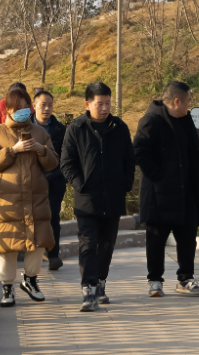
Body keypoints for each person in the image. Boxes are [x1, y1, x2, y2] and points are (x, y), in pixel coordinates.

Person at [60, 82, 135, 313]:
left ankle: (100, 282)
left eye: (107, 103)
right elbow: (66, 163)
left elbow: (129, 160)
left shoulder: (120, 128)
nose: (104, 108)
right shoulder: (76, 128)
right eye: (99, 103)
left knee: (106, 244)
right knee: (88, 244)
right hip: (87, 199)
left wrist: (125, 184)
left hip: (113, 198)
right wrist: (80, 184)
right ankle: (88, 289)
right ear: (88, 104)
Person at [0, 88, 60, 308]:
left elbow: (53, 161)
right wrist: (12, 150)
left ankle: (31, 280)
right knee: (6, 245)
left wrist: (41, 150)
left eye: (27, 108)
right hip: (8, 200)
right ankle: (7, 288)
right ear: (8, 110)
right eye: (19, 109)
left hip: (36, 199)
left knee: (38, 241)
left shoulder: (40, 133)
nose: (24, 112)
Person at [134, 81, 199, 298]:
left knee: (187, 238)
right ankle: (155, 281)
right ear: (177, 101)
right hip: (159, 195)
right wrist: (159, 177)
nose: (189, 106)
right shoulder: (151, 120)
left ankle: (186, 279)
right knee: (156, 239)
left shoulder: (185, 121)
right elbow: (139, 151)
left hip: (186, 192)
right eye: (187, 102)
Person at [33, 89, 68, 271]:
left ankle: (53, 255)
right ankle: (35, 252)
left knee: (53, 215)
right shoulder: (23, 128)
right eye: (43, 105)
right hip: (31, 182)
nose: (47, 109)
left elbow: (65, 157)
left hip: (54, 181)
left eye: (50, 105)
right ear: (34, 106)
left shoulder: (60, 130)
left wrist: (60, 175)